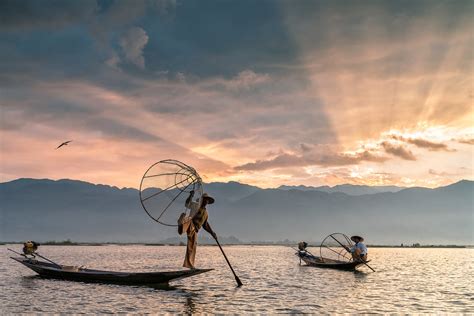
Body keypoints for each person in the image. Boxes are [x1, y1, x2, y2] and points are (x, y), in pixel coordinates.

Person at [177, 190, 217, 269]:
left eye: (207, 200)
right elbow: (187, 204)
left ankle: (190, 264)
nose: (206, 201)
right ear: (202, 199)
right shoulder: (195, 205)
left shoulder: (205, 213)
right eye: (205, 199)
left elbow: (205, 225)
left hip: (195, 230)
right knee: (185, 223)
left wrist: (212, 233)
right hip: (189, 223)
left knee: (192, 247)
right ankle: (181, 223)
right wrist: (191, 196)